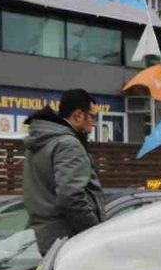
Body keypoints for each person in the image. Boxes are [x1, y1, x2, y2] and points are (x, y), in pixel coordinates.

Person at [23, 89, 104, 254]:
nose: (94, 124)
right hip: (71, 241)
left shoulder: (41, 142)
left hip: (49, 239)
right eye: (93, 117)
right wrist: (94, 233)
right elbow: (71, 197)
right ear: (78, 115)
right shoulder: (68, 144)